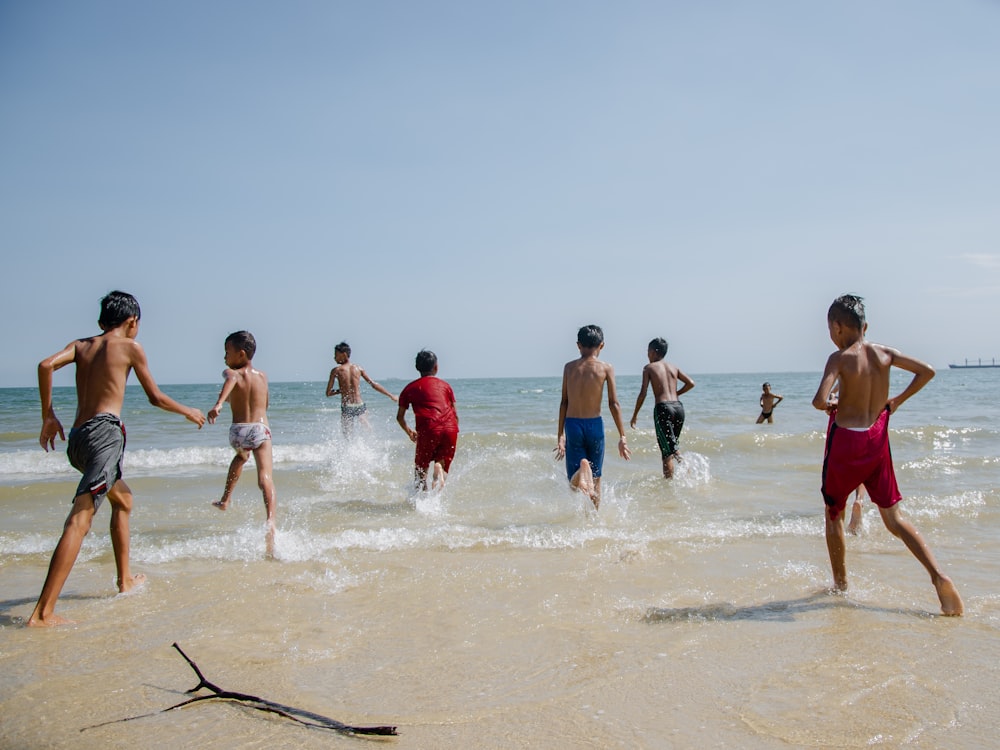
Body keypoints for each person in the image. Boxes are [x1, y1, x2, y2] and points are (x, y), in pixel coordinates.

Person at [28, 291, 205, 627]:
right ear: (132, 322)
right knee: (80, 519)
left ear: (100, 321)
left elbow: (44, 365)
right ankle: (42, 613)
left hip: (78, 441)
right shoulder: (130, 347)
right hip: (104, 436)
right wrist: (188, 411)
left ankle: (124, 580)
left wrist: (48, 415)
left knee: (123, 499)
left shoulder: (81, 346)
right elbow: (154, 397)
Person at [812, 294, 963, 615]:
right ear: (864, 326)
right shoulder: (885, 353)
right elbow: (927, 371)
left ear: (838, 327)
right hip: (876, 437)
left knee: (833, 513)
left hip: (845, 444)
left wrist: (833, 403)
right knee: (894, 518)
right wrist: (897, 400)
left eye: (829, 328)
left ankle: (840, 586)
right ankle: (938, 577)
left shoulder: (839, 357)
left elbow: (819, 400)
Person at [207, 331, 277, 556]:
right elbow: (265, 403)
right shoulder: (263, 376)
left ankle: (225, 500)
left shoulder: (232, 372)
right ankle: (271, 521)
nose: (224, 357)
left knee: (240, 457)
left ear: (241, 354)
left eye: (227, 352)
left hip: (238, 431)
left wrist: (219, 403)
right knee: (265, 477)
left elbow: (232, 379)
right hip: (260, 428)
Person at [555, 325, 631, 509]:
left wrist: (560, 435)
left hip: (573, 424)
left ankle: (581, 469)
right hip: (595, 425)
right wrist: (622, 436)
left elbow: (564, 402)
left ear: (578, 345)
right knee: (596, 478)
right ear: (601, 345)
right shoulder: (606, 368)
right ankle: (594, 520)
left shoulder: (569, 368)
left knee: (573, 483)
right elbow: (614, 403)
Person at [629, 337, 695, 479]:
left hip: (663, 409)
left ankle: (672, 482)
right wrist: (676, 394)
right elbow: (691, 383)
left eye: (648, 351)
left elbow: (643, 393)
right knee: (672, 445)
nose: (647, 354)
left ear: (654, 351)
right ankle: (686, 473)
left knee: (666, 452)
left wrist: (635, 415)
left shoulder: (649, 368)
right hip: (678, 408)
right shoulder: (673, 367)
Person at [396, 350, 459, 490]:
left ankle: (420, 504)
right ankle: (439, 467)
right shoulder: (446, 386)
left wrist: (409, 432)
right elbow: (455, 414)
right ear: (436, 367)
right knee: (442, 465)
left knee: (420, 473)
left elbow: (399, 417)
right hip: (450, 429)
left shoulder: (409, 388)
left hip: (429, 429)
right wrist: (453, 430)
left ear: (417, 368)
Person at [325, 341, 398, 437]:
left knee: (347, 435)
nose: (334, 358)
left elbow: (328, 393)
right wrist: (391, 395)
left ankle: (350, 451)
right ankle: (374, 443)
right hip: (359, 404)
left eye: (336, 355)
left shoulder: (336, 370)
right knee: (367, 427)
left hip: (347, 406)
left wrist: (339, 391)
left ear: (344, 354)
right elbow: (373, 384)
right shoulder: (358, 368)